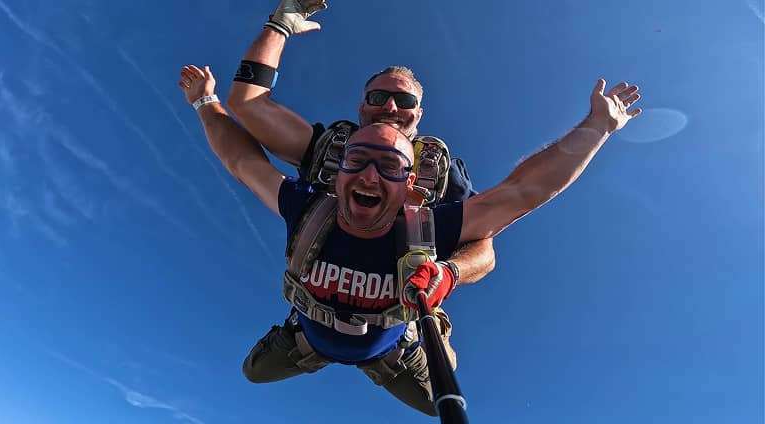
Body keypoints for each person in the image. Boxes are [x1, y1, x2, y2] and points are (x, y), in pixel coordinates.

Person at [178, 64, 642, 415]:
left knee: (438, 402)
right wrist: (205, 103)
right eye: (358, 161)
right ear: (338, 173)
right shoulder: (307, 207)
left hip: (392, 351)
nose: (370, 177)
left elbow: (521, 193)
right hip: (312, 338)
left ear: (410, 183)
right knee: (254, 373)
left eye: (390, 167)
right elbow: (242, 161)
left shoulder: (429, 226)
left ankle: (414, 337)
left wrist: (597, 127)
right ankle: (312, 345)